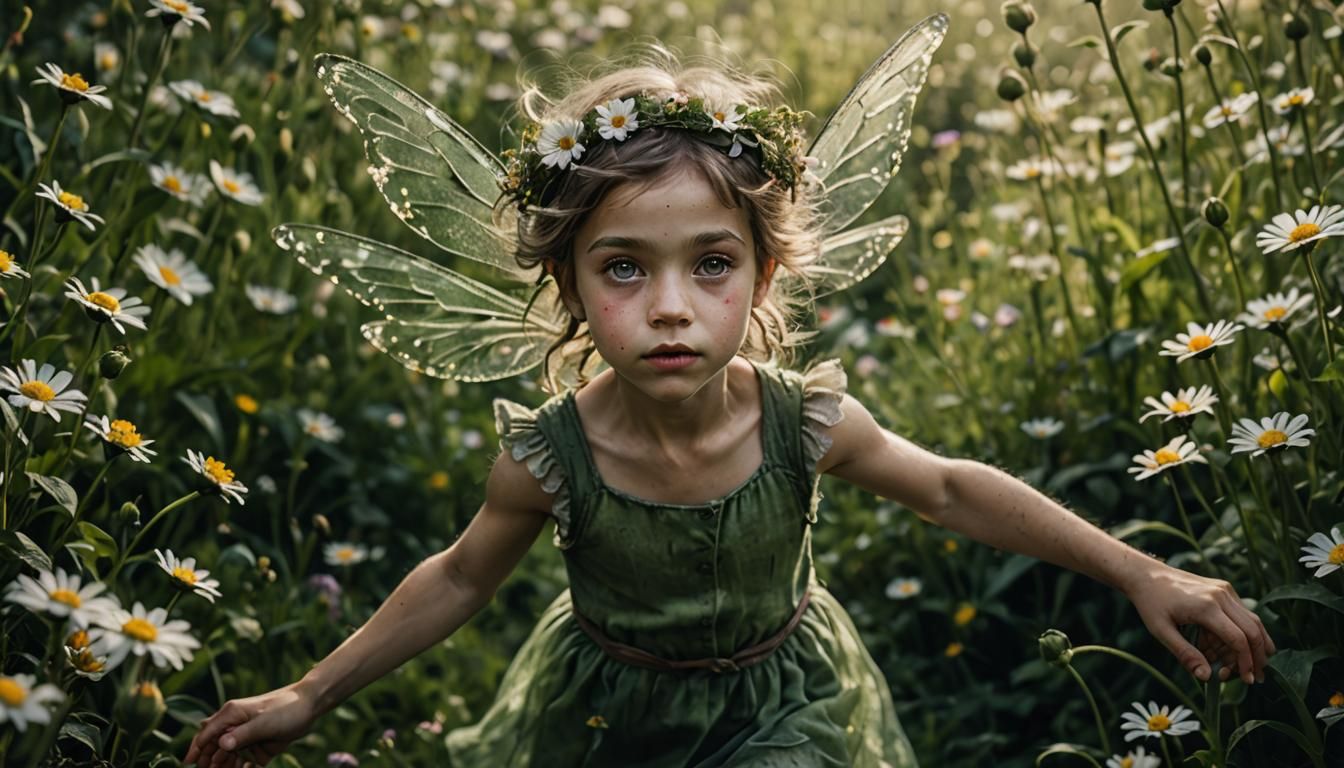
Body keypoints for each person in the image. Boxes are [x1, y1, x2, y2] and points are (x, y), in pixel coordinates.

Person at [185, 44, 1275, 768]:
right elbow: (465, 573)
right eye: (622, 270)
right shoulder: (554, 456)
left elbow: (948, 488)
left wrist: (1142, 568)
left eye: (711, 264)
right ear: (567, 285)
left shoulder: (801, 422)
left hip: (785, 704)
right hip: (608, 707)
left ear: (763, 276)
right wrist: (312, 695)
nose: (670, 309)